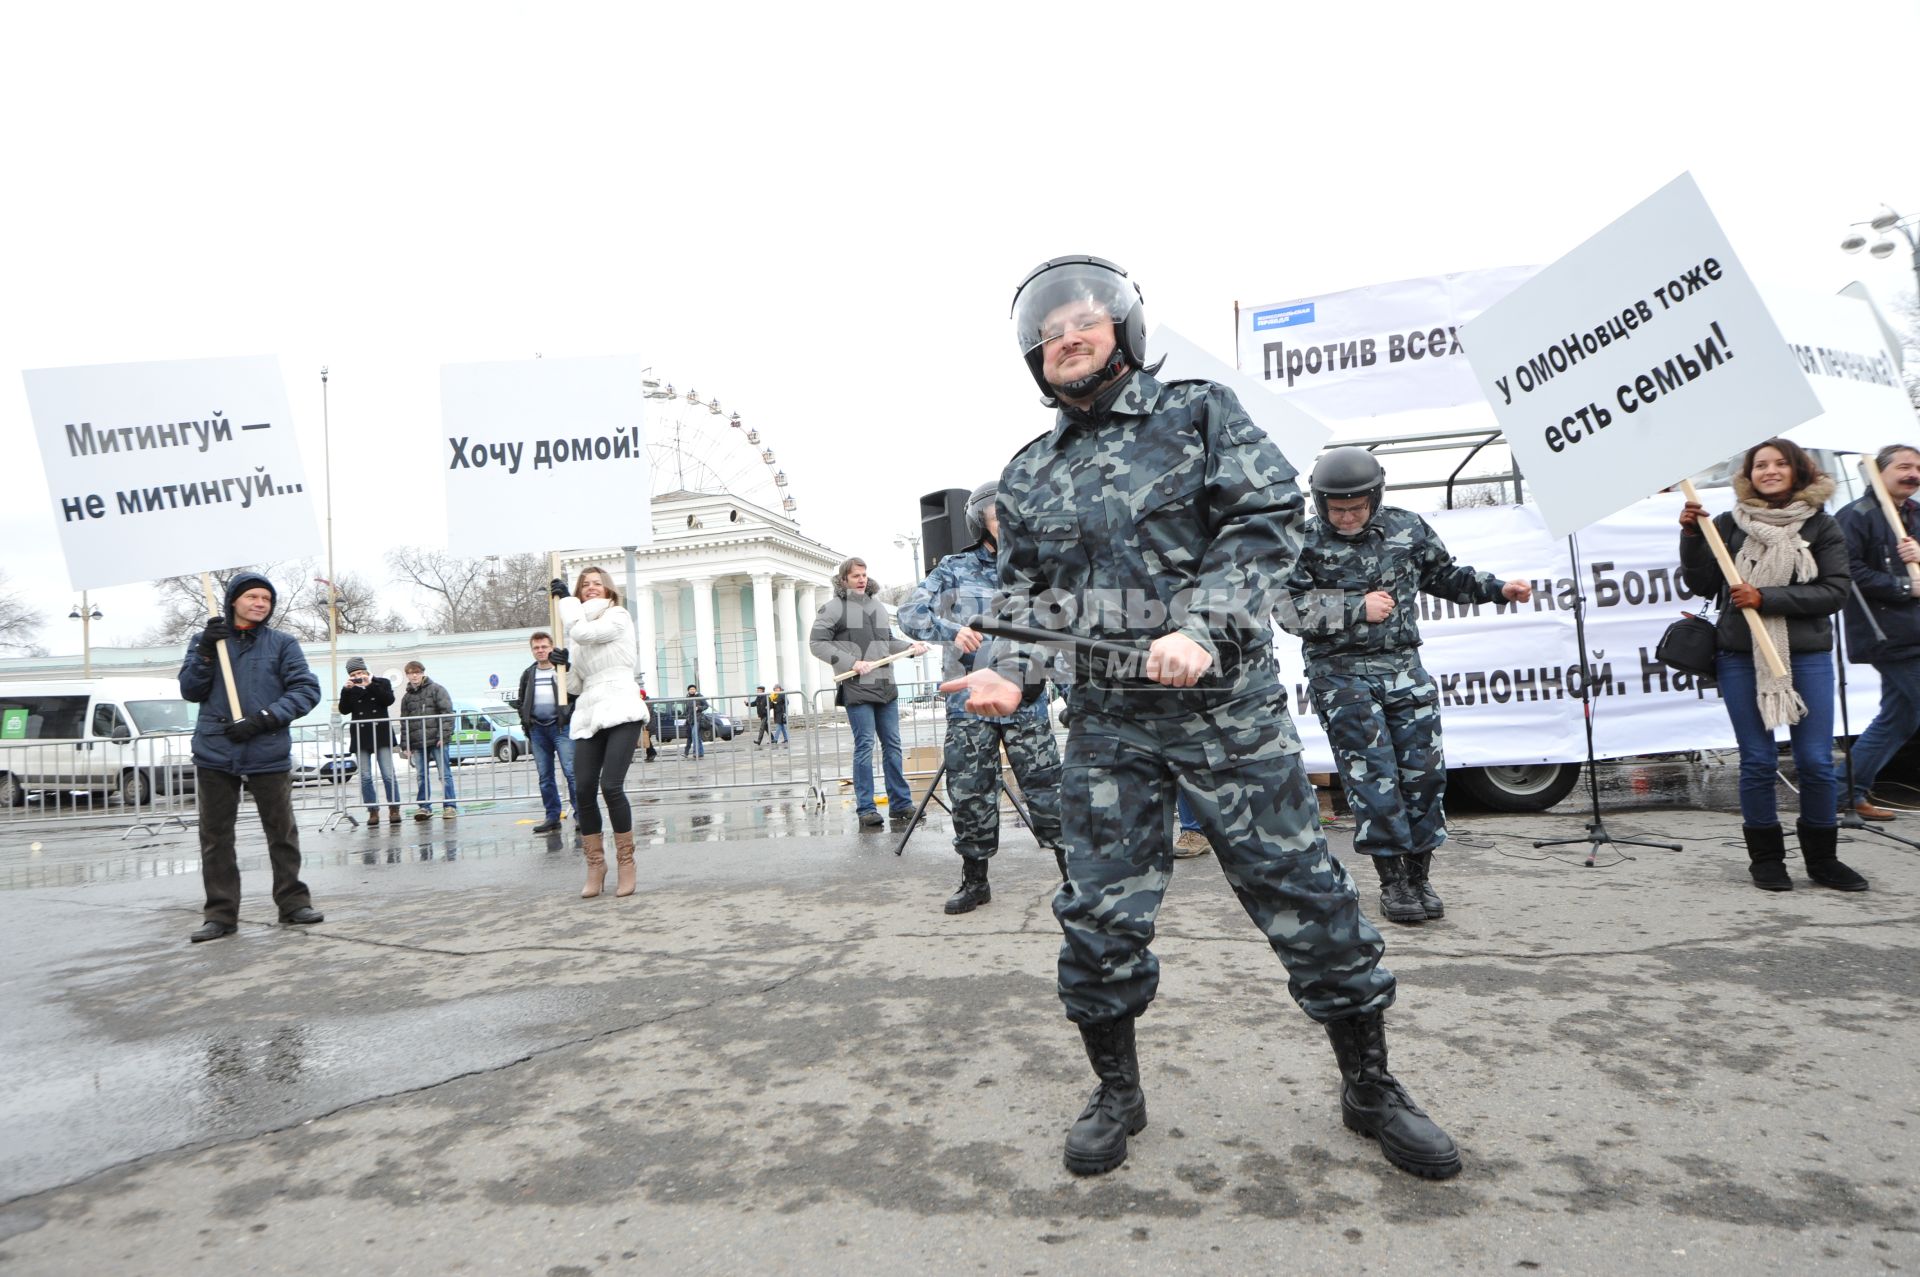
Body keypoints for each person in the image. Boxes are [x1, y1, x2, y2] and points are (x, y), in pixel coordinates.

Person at [942, 255, 1458, 1180]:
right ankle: (1116, 1090)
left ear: (1124, 330)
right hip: (1109, 722)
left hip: (1230, 711)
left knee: (1308, 897)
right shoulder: (1027, 474)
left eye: (1084, 319)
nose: (1067, 334)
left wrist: (1201, 623)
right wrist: (1009, 673)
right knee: (1097, 911)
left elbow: (1266, 516)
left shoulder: (1200, 411)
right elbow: (1023, 599)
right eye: (1050, 328)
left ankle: (1371, 1084)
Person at [1279, 447, 1533, 925]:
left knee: (1424, 776)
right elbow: (1289, 611)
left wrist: (1499, 589)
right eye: (1338, 509)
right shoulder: (1302, 541)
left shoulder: (1406, 528)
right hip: (1341, 674)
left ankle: (1420, 877)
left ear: (1375, 497)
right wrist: (1355, 607)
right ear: (1320, 502)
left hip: (1404, 669)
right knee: (1374, 779)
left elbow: (1444, 576)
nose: (1348, 516)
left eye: (1357, 506)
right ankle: (1393, 882)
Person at [1679, 437, 1865, 892]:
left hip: (1806, 656)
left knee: (1817, 761)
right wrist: (1690, 537)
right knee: (1758, 761)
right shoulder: (1727, 524)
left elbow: (1835, 593)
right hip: (1741, 656)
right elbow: (1703, 582)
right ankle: (1766, 861)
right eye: (1760, 465)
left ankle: (1824, 861)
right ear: (1748, 475)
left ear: (1798, 471)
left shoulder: (1822, 527)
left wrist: (1766, 598)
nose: (1770, 470)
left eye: (1780, 463)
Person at [899, 480, 1065, 913]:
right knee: (970, 793)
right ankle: (975, 882)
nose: (1005, 519)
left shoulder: (1038, 570)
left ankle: (1075, 878)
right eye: (996, 512)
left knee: (1049, 790)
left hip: (1026, 700)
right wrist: (953, 630)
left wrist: (1071, 694)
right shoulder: (954, 568)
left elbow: (1059, 635)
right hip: (969, 706)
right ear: (979, 520)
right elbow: (909, 614)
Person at [178, 573, 324, 942]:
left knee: (282, 832)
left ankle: (293, 903)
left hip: (266, 749)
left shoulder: (282, 644)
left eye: (267, 599)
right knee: (215, 838)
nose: (260, 603)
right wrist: (206, 653)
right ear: (232, 601)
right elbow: (190, 689)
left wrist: (265, 718)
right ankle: (221, 914)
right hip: (215, 751)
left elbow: (306, 689)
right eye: (253, 597)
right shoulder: (205, 641)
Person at [810, 558, 929, 829]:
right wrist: (851, 662)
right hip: (857, 687)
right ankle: (866, 808)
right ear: (843, 580)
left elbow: (887, 643)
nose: (861, 580)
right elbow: (816, 644)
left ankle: (900, 805)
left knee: (893, 746)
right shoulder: (833, 609)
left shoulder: (876, 606)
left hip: (886, 686)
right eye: (855, 576)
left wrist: (911, 647)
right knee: (864, 746)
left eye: (864, 575)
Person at [1836, 444, 1920, 824]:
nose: (1913, 474)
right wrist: (1904, 587)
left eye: (1918, 467)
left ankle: (1843, 792)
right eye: (1903, 466)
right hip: (1890, 634)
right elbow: (1848, 572)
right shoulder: (1855, 516)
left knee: (1899, 720)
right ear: (1877, 471)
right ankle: (1841, 793)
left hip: (1915, 632)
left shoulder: (1915, 516)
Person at [555, 568, 650, 898]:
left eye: (596, 583)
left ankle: (626, 862)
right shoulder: (575, 630)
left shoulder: (618, 616)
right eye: (585, 585)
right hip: (590, 709)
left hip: (621, 705)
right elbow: (576, 684)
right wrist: (564, 664)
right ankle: (596, 864)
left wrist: (565, 602)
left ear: (608, 588)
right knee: (582, 790)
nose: (590, 588)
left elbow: (585, 634)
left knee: (610, 785)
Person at [517, 631, 578, 834]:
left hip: (561, 728)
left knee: (571, 773)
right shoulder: (528, 673)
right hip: (538, 730)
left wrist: (569, 716)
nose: (540, 650)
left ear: (552, 647)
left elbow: (575, 693)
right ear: (532, 650)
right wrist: (526, 722)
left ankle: (582, 816)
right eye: (536, 647)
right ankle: (552, 816)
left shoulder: (562, 670)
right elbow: (521, 701)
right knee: (545, 776)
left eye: (544, 646)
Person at [339, 656, 401, 827]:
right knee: (365, 776)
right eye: (354, 674)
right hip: (361, 735)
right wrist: (346, 690)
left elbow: (388, 700)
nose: (358, 676)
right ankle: (372, 810)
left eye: (360, 672)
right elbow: (344, 710)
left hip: (381, 733)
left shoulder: (381, 682)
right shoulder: (350, 689)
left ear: (366, 671)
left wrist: (370, 685)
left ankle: (394, 808)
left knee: (388, 774)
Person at [398, 661, 456, 820]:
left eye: (417, 672)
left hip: (437, 741)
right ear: (407, 675)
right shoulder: (406, 698)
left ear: (422, 672)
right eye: (410, 673)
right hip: (417, 743)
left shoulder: (437, 690)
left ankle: (450, 806)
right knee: (421, 776)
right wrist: (405, 745)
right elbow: (404, 722)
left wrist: (444, 736)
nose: (414, 675)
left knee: (444, 775)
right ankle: (424, 807)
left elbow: (448, 714)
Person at [682, 684, 707, 759]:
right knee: (697, 736)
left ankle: (696, 752)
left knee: (694, 735)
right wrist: (686, 716)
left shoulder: (699, 696)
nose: (692, 690)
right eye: (690, 689)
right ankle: (701, 752)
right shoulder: (687, 698)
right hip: (690, 720)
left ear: (695, 690)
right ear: (688, 690)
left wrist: (699, 708)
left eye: (693, 689)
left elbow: (706, 706)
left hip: (698, 718)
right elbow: (687, 709)